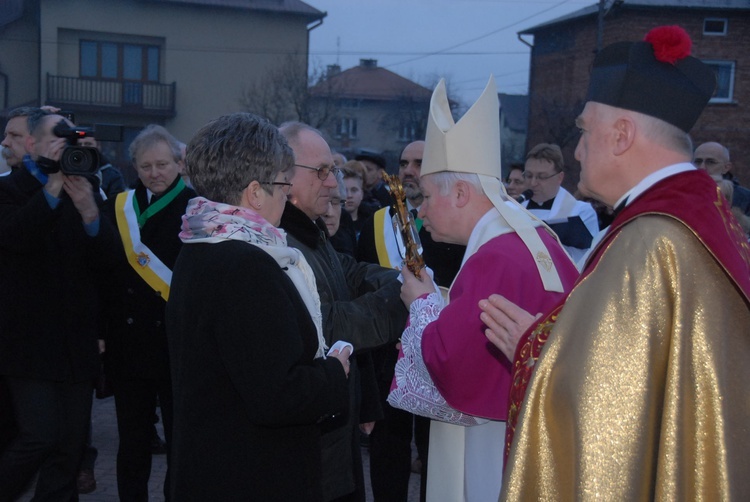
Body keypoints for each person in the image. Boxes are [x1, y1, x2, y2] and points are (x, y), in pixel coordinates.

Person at [479, 26, 750, 499]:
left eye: (585, 131)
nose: (578, 150)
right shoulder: (704, 218)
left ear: (622, 135)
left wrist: (535, 353)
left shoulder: (650, 241)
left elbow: (607, 419)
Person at [386, 76, 579, 502]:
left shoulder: (494, 258)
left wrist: (421, 303)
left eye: (426, 197)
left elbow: (452, 367)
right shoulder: (536, 238)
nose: (420, 212)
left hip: (496, 444)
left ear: (459, 193)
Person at [165, 112, 350, 501]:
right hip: (251, 476)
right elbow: (277, 395)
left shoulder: (199, 244)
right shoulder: (247, 266)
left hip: (212, 467)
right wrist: (334, 371)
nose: (286, 197)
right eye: (283, 186)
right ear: (254, 193)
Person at [278, 122, 407, 501]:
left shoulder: (309, 233)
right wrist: (407, 298)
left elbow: (352, 273)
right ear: (281, 176)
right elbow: (326, 323)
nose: (333, 183)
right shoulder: (280, 243)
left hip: (336, 432)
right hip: (311, 443)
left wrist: (410, 279)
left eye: (332, 171)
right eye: (321, 172)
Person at [0, 110, 119, 500]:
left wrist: (89, 211)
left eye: (69, 139)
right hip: (28, 344)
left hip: (77, 343)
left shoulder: (85, 187)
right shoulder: (10, 190)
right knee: (39, 437)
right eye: (56, 138)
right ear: (32, 144)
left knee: (69, 450)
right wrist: (52, 186)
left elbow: (110, 264)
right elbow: (17, 237)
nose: (64, 146)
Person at [356, 139, 466, 502]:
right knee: (388, 447)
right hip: (389, 353)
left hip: (439, 347)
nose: (408, 170)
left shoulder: (457, 225)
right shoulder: (376, 222)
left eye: (419, 162)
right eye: (404, 161)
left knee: (436, 449)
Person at [101, 124, 195, 501]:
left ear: (179, 163)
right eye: (145, 166)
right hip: (129, 343)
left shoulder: (197, 208)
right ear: (134, 167)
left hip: (176, 342)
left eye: (161, 164)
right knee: (133, 440)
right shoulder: (119, 206)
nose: (154, 173)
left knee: (179, 441)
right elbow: (104, 273)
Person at [520, 142, 599, 265]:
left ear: (559, 178)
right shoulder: (514, 209)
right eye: (529, 176)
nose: (533, 183)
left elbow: (587, 258)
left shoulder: (580, 212)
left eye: (541, 177)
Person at [693, 141, 750, 215]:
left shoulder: (745, 199)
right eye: (698, 162)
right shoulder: (681, 193)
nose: (702, 167)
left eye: (711, 162)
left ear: (726, 167)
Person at [340, 160, 372, 240]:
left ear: (362, 194)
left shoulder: (371, 224)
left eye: (354, 190)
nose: (349, 196)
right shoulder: (332, 225)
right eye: (344, 190)